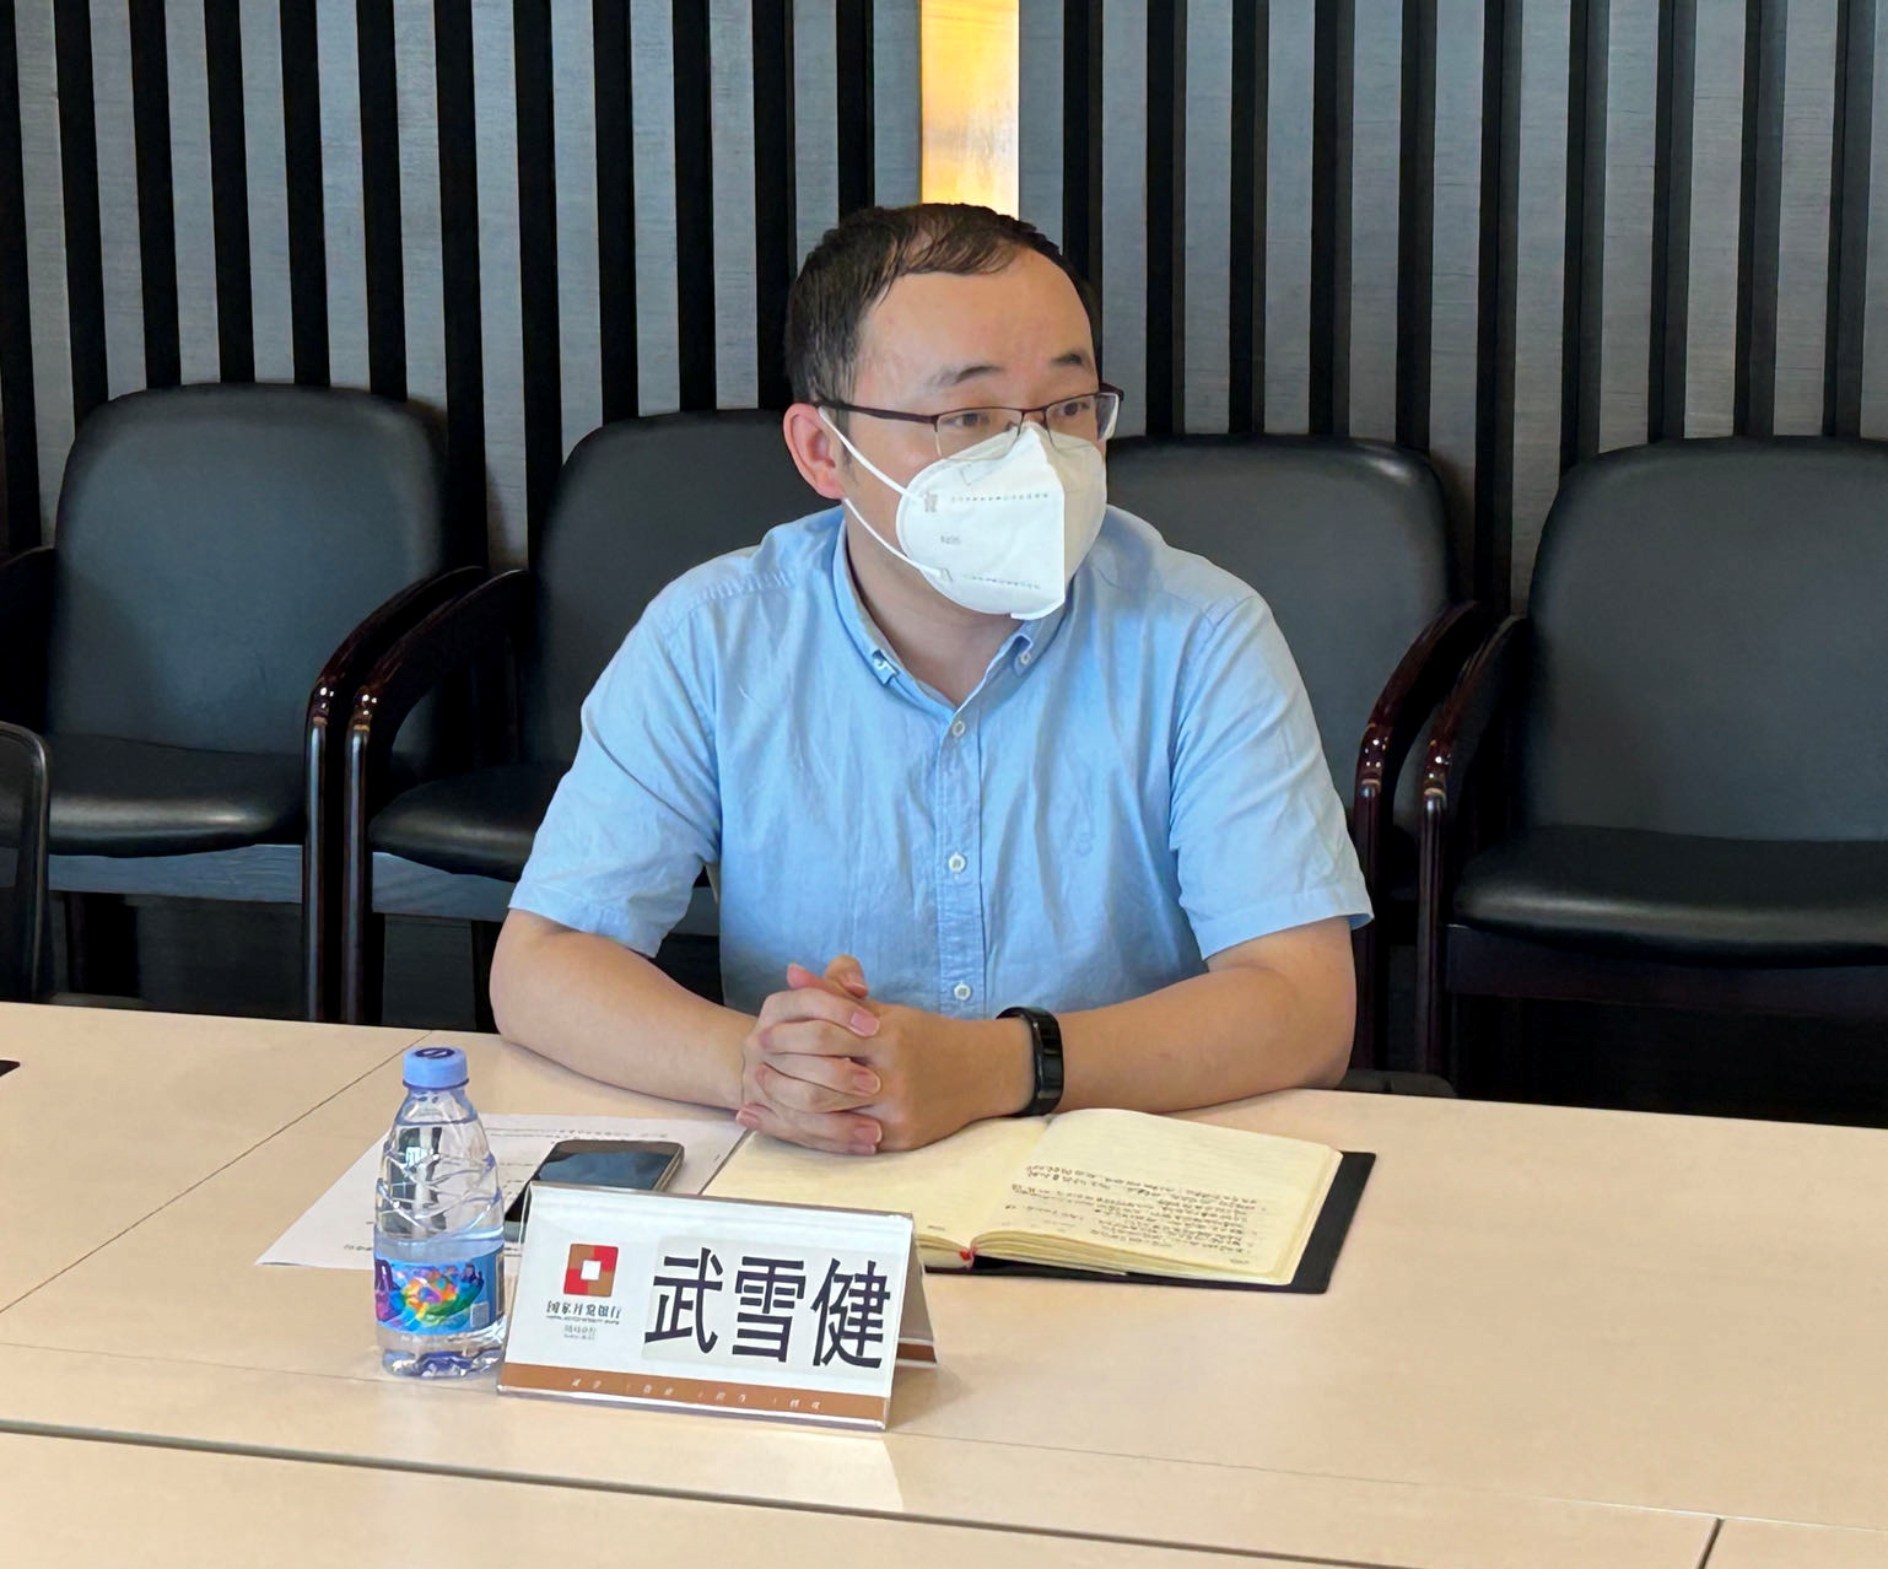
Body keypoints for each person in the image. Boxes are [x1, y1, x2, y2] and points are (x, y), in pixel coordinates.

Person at [490, 202, 1370, 1156]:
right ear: (823, 451)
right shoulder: (714, 637)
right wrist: (768, 1070)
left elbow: (1305, 1004)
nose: (1037, 460)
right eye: (970, 417)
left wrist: (998, 1067)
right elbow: (543, 961)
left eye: (1068, 408)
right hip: (821, 1173)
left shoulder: (1201, 634)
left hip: (1114, 1165)